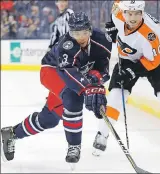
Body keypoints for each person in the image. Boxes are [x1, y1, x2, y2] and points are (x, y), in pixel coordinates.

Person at [1, 12, 112, 164]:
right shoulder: (66, 44)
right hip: (52, 71)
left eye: (84, 32)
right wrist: (88, 88)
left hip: (75, 76)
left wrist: (96, 82)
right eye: (75, 33)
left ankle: (12, 134)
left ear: (90, 30)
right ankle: (74, 146)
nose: (80, 37)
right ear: (70, 32)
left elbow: (103, 71)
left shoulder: (102, 41)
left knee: (50, 119)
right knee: (73, 97)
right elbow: (69, 74)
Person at [92, 0, 160, 155]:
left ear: (142, 13)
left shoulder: (151, 32)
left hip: (155, 61)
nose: (132, 18)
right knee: (115, 96)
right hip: (126, 59)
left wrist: (132, 71)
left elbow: (153, 61)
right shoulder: (117, 14)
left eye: (137, 14)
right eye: (129, 13)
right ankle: (102, 134)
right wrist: (113, 33)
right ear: (124, 12)